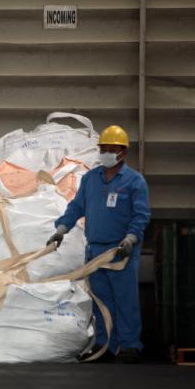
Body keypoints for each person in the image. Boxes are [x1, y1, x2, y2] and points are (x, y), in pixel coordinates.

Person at [46, 125, 151, 363]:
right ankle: (106, 345)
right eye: (103, 149)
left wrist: (131, 238)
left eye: (111, 149)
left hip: (120, 251)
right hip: (95, 250)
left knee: (125, 300)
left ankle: (130, 345)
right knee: (100, 301)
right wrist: (62, 230)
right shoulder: (91, 179)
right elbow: (76, 207)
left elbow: (141, 215)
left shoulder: (134, 181)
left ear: (122, 152)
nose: (106, 153)